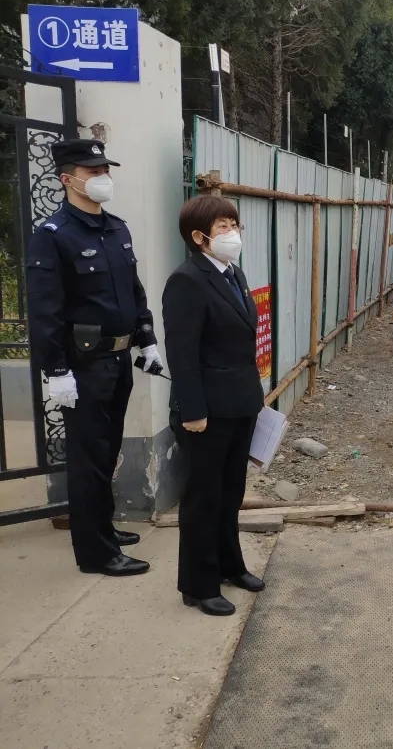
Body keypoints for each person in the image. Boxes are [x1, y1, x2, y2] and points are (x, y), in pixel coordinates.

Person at [26, 139, 162, 577]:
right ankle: (96, 553)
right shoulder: (54, 235)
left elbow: (133, 292)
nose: (103, 177)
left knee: (106, 454)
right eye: (93, 171)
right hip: (82, 367)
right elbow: (44, 311)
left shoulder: (116, 229)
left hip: (118, 361)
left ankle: (101, 527)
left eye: (105, 169)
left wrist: (147, 340)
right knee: (87, 461)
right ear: (68, 179)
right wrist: (56, 371)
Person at [162, 196, 266, 617]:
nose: (232, 233)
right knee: (204, 497)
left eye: (234, 225)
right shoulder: (186, 280)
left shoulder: (233, 273)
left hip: (239, 403)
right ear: (199, 236)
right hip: (206, 411)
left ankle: (229, 565)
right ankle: (198, 584)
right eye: (223, 226)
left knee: (230, 491)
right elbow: (182, 353)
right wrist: (192, 411)